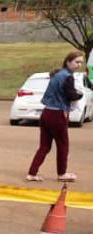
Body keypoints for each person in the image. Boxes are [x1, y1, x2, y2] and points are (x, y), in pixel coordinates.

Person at [27, 51, 85, 183]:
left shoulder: (57, 75)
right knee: (63, 145)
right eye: (76, 62)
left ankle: (32, 173)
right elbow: (71, 95)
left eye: (81, 62)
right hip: (58, 115)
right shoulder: (67, 77)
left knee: (44, 146)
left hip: (46, 113)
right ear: (68, 62)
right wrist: (80, 95)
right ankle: (62, 173)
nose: (79, 65)